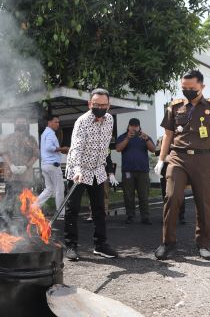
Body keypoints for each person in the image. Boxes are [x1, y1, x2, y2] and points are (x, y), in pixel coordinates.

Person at [154, 70, 210, 260]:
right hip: (177, 158)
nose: (187, 91)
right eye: (184, 88)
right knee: (172, 198)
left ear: (202, 87)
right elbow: (168, 135)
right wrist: (161, 159)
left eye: (192, 88)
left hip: (204, 159)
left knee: (204, 203)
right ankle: (168, 243)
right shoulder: (174, 106)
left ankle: (203, 244)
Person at [64, 88, 119, 260]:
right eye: (96, 105)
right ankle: (71, 246)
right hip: (78, 170)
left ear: (108, 106)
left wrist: (109, 170)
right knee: (72, 210)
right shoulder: (82, 121)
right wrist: (78, 170)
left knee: (99, 210)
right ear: (90, 104)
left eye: (104, 105)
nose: (100, 108)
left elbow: (105, 148)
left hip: (97, 170)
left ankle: (100, 244)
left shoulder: (109, 120)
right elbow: (76, 148)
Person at [115, 118, 156, 225]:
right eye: (132, 126)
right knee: (128, 195)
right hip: (128, 171)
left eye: (136, 126)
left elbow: (153, 149)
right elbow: (118, 149)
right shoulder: (123, 137)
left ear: (139, 126)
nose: (134, 128)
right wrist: (127, 139)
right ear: (128, 126)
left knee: (144, 195)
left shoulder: (144, 136)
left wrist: (147, 139)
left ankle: (145, 217)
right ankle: (130, 216)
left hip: (142, 171)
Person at [0, 115, 39, 215]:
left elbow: (36, 155)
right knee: (9, 202)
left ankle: (27, 227)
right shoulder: (8, 138)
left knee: (27, 203)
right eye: (18, 121)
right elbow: (4, 153)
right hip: (11, 176)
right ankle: (7, 226)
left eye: (23, 121)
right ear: (15, 124)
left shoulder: (32, 139)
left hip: (26, 176)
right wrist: (11, 165)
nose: (20, 123)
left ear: (26, 124)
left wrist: (26, 166)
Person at [36, 115, 69, 211]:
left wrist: (60, 150)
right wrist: (62, 149)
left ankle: (34, 207)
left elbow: (48, 148)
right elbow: (49, 147)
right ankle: (61, 213)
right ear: (49, 123)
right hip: (52, 165)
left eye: (58, 122)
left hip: (45, 164)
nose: (57, 124)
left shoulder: (45, 133)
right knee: (60, 189)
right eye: (55, 122)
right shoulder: (50, 133)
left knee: (49, 189)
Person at [155, 136, 186, 224]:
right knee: (167, 195)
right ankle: (167, 216)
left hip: (180, 170)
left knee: (180, 195)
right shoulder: (162, 139)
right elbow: (156, 152)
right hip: (166, 170)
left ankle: (181, 216)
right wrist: (165, 155)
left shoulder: (182, 137)